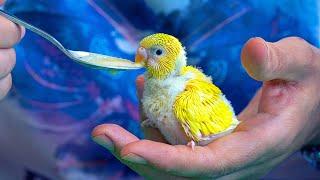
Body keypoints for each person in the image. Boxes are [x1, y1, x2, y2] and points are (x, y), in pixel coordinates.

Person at [1, 0, 319, 179]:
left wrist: (315, 119)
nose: (141, 58)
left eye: (154, 53)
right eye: (145, 53)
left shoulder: (187, 97)